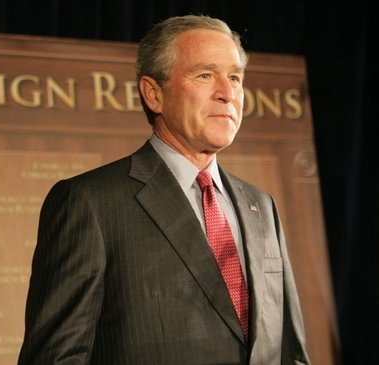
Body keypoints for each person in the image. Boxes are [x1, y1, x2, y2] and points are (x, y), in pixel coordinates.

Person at [17, 15, 310, 365]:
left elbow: (290, 352)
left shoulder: (261, 205)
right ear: (154, 94)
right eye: (205, 75)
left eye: (235, 77)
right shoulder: (89, 203)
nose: (227, 92)